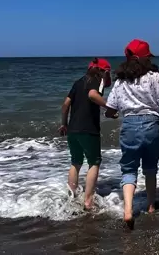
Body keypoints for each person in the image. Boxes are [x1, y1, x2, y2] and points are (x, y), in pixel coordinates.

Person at [105, 40, 159, 227]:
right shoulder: (152, 76)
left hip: (129, 126)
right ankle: (150, 205)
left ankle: (127, 210)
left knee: (129, 169)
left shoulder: (120, 81)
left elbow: (110, 108)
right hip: (151, 124)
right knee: (150, 167)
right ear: (144, 59)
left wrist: (112, 113)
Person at [59, 58, 111, 209]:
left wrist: (64, 124)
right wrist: (109, 107)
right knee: (94, 162)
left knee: (76, 162)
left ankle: (72, 197)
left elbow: (65, 104)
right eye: (107, 72)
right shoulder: (96, 80)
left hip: (73, 129)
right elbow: (92, 95)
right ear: (103, 71)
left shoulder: (78, 82)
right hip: (89, 129)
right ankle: (88, 201)